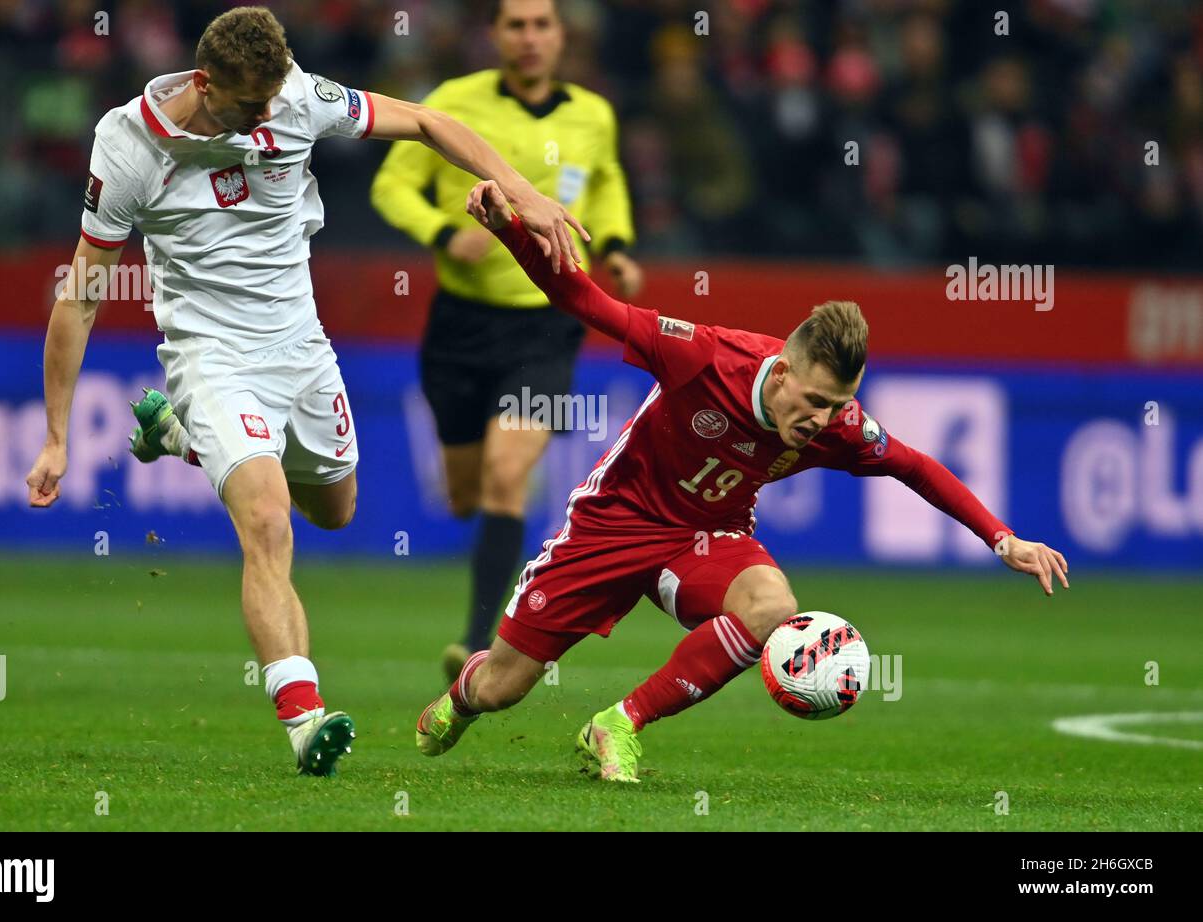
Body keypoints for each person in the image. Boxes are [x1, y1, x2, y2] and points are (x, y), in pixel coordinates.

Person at [24, 7, 587, 777]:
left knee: (335, 510)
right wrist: (57, 434)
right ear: (203, 81)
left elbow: (422, 121)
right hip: (209, 354)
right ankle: (304, 718)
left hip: (301, 349)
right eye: (248, 106)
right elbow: (80, 296)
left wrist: (519, 189)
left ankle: (177, 436)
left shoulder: (294, 94)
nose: (266, 119)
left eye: (272, 102)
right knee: (267, 519)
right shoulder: (129, 144)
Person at [416, 180, 1071, 782]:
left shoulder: (837, 422)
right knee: (503, 688)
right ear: (780, 371)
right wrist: (508, 229)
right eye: (814, 399)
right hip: (614, 522)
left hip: (704, 537)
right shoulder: (701, 356)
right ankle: (461, 696)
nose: (823, 419)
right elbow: (584, 298)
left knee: (772, 609)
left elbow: (914, 465)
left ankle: (617, 724)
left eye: (837, 404)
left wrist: (1001, 539)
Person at [370, 0, 640, 680]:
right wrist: (440, 231)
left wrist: (615, 245)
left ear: (560, 36)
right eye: (515, 25)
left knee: (505, 473)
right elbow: (391, 185)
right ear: (494, 35)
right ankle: (488, 541)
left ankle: (475, 643)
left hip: (549, 326)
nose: (529, 38)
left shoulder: (593, 115)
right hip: (461, 326)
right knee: (466, 492)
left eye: (542, 24)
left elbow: (604, 184)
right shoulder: (452, 104)